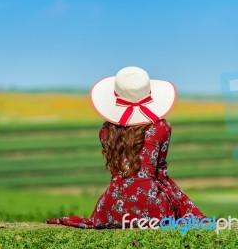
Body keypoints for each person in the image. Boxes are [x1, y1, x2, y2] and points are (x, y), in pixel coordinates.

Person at [47, 66, 206, 228]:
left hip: (111, 207)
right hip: (151, 207)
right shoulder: (161, 128)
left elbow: (117, 171)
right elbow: (160, 174)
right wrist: (183, 206)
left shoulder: (105, 131)